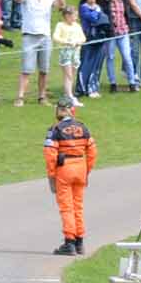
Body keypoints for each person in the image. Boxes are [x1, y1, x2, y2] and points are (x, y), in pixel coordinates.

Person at [43, 100, 95, 256]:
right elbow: (92, 152)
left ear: (60, 111)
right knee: (78, 206)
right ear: (72, 110)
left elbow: (50, 154)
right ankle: (79, 242)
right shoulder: (83, 127)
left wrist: (51, 175)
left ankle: (69, 242)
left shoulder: (55, 129)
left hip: (64, 169)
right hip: (81, 166)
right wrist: (86, 171)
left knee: (67, 207)